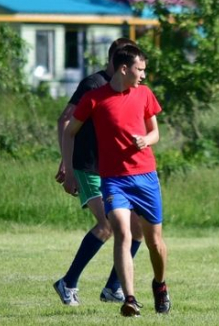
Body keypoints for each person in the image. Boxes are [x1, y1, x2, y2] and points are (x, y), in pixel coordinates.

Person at [62, 44, 170, 316]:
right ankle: (129, 298)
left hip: (145, 176)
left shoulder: (144, 94)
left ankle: (159, 285)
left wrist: (146, 140)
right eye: (140, 69)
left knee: (153, 241)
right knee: (121, 232)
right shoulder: (94, 98)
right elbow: (69, 131)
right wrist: (71, 169)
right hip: (114, 180)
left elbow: (155, 133)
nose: (144, 75)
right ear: (124, 68)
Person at [53, 38, 144, 306]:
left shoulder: (130, 89)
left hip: (115, 171)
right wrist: (66, 164)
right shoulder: (93, 85)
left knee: (137, 229)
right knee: (107, 226)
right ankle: (67, 283)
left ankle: (113, 288)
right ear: (117, 62)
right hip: (89, 165)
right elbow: (65, 119)